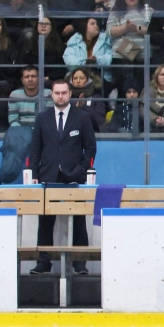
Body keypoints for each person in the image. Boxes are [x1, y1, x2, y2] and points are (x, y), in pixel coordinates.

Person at [28, 78, 98, 276]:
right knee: (45, 221)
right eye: (57, 93)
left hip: (75, 176)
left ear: (70, 93)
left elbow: (90, 148)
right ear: (51, 94)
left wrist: (82, 170)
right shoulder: (42, 118)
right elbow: (35, 149)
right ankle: (43, 262)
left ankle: (80, 263)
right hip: (48, 175)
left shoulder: (82, 117)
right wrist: (34, 173)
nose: (60, 96)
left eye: (64, 92)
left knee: (78, 220)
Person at [108, 0, 150, 90]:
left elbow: (153, 32)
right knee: (123, 89)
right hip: (121, 56)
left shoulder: (148, 11)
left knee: (142, 89)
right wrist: (126, 27)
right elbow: (110, 32)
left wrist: (136, 29)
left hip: (143, 57)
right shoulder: (115, 12)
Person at [7, 64, 47, 129]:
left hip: (41, 133)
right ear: (22, 80)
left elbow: (47, 119)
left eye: (33, 76)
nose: (30, 79)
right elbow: (13, 120)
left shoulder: (48, 94)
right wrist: (24, 132)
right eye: (27, 77)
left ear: (39, 78)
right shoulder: (14, 95)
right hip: (20, 133)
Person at [69, 67, 107, 133]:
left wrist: (84, 107)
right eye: (75, 78)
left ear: (88, 80)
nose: (78, 81)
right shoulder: (65, 97)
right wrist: (76, 108)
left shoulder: (96, 98)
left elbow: (100, 122)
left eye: (82, 78)